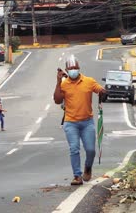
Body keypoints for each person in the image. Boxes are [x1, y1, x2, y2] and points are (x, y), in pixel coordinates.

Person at [53, 55, 106, 186]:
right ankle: (77, 175)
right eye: (70, 68)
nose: (73, 70)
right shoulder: (64, 84)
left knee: (90, 150)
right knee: (74, 148)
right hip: (71, 122)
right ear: (66, 70)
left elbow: (100, 90)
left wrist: (104, 92)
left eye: (75, 68)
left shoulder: (88, 81)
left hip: (87, 122)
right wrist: (58, 82)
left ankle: (88, 167)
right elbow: (57, 100)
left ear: (79, 68)